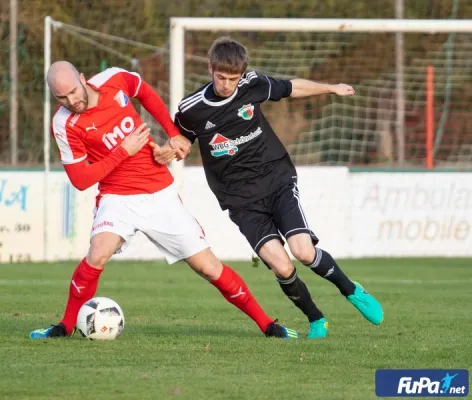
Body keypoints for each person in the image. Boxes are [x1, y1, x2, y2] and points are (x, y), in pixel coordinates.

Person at [29, 61, 298, 340]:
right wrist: (122, 151)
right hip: (117, 196)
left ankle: (268, 325)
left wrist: (172, 133)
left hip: (159, 192)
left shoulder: (114, 79)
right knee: (97, 254)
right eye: (62, 97)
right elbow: (81, 180)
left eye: (74, 91)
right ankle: (65, 327)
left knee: (209, 268)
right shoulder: (63, 124)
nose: (72, 101)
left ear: (83, 78)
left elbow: (145, 93)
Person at [155, 37, 383, 339]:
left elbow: (292, 87)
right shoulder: (191, 108)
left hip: (275, 179)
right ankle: (316, 319)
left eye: (232, 79)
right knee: (281, 265)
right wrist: (171, 150)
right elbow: (182, 140)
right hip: (239, 199)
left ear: (241, 75)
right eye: (221, 77)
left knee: (303, 251)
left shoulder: (252, 84)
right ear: (210, 69)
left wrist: (330, 88)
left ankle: (351, 289)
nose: (226, 84)